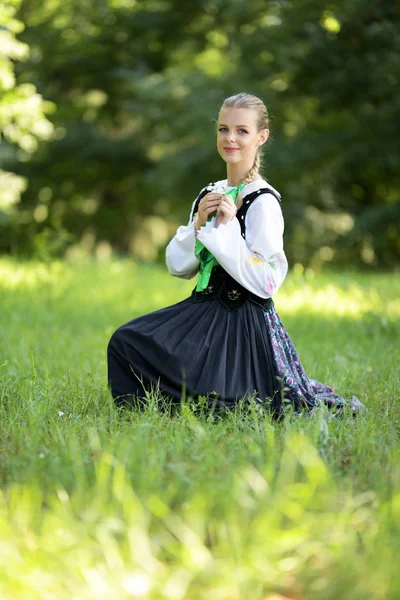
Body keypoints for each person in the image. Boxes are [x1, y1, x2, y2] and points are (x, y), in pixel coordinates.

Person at [107, 92, 365, 416]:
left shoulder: (263, 201)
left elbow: (268, 282)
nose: (230, 138)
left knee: (222, 406)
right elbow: (178, 265)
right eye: (223, 129)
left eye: (242, 130)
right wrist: (199, 222)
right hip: (200, 312)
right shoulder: (208, 194)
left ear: (261, 137)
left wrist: (228, 231)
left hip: (243, 322)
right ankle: (140, 417)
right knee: (125, 342)